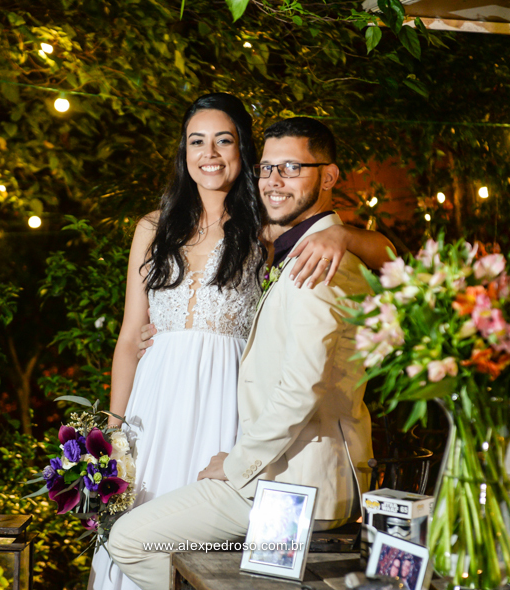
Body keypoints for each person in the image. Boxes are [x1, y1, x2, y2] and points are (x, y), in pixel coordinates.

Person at [88, 95, 392, 590]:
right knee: (137, 532)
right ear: (183, 153)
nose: (209, 153)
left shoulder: (265, 230)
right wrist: (113, 437)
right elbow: (128, 338)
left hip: (225, 403)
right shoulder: (152, 228)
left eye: (224, 140)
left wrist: (346, 238)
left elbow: (385, 255)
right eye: (197, 141)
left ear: (243, 153)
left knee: (209, 547)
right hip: (156, 399)